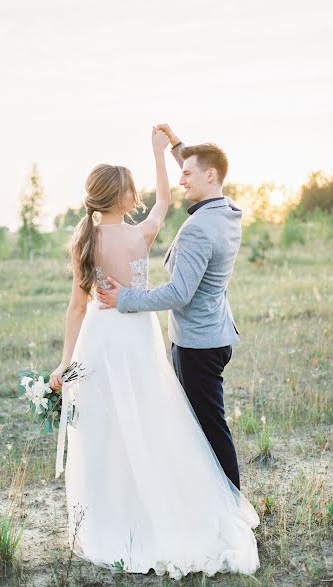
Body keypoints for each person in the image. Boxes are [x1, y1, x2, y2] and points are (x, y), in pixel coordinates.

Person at [49, 127, 259, 580]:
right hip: (137, 337)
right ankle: (158, 506)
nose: (137, 193)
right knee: (149, 420)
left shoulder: (85, 241)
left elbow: (76, 307)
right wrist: (159, 156)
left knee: (105, 429)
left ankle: (110, 517)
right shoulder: (141, 234)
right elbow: (165, 199)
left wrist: (66, 362)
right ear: (120, 197)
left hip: (98, 339)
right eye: (130, 188)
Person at [97, 123, 243, 491]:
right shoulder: (227, 211)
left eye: (188, 174)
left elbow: (178, 293)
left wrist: (126, 299)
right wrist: (176, 147)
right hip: (216, 334)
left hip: (197, 344)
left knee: (208, 427)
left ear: (210, 176)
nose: (182, 181)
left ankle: (229, 503)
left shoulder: (198, 229)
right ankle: (211, 496)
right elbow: (201, 166)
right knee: (206, 423)